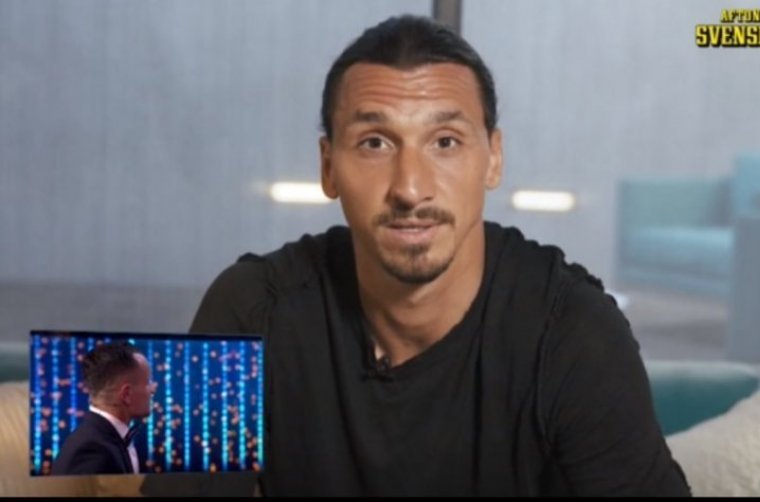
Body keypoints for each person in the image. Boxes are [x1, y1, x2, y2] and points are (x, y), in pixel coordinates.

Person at [150, 14, 690, 496]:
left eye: (445, 142)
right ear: (328, 167)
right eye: (375, 143)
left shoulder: (572, 332)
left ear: (493, 158)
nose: (410, 188)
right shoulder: (249, 310)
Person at [51, 342, 156, 476]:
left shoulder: (103, 439)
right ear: (126, 394)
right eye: (148, 382)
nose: (153, 389)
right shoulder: (93, 452)